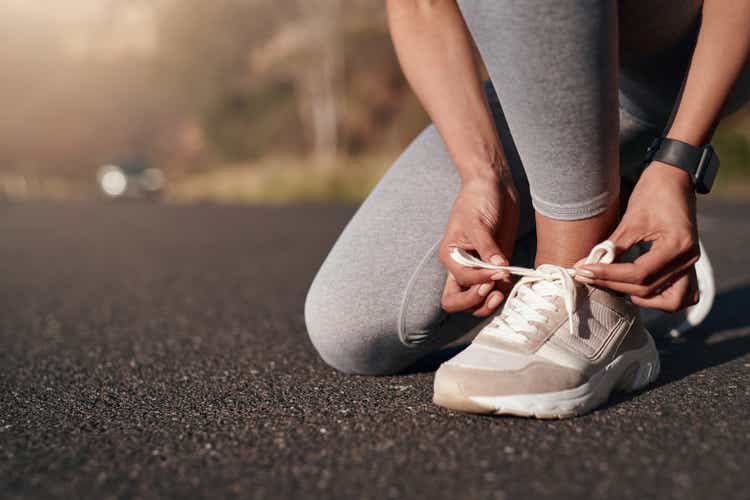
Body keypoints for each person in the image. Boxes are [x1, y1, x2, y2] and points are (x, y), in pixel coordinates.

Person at [304, 0, 750, 417]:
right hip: (550, 87)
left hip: (683, 62)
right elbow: (419, 5)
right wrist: (483, 176)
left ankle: (588, 297)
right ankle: (618, 215)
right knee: (352, 330)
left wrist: (678, 163)